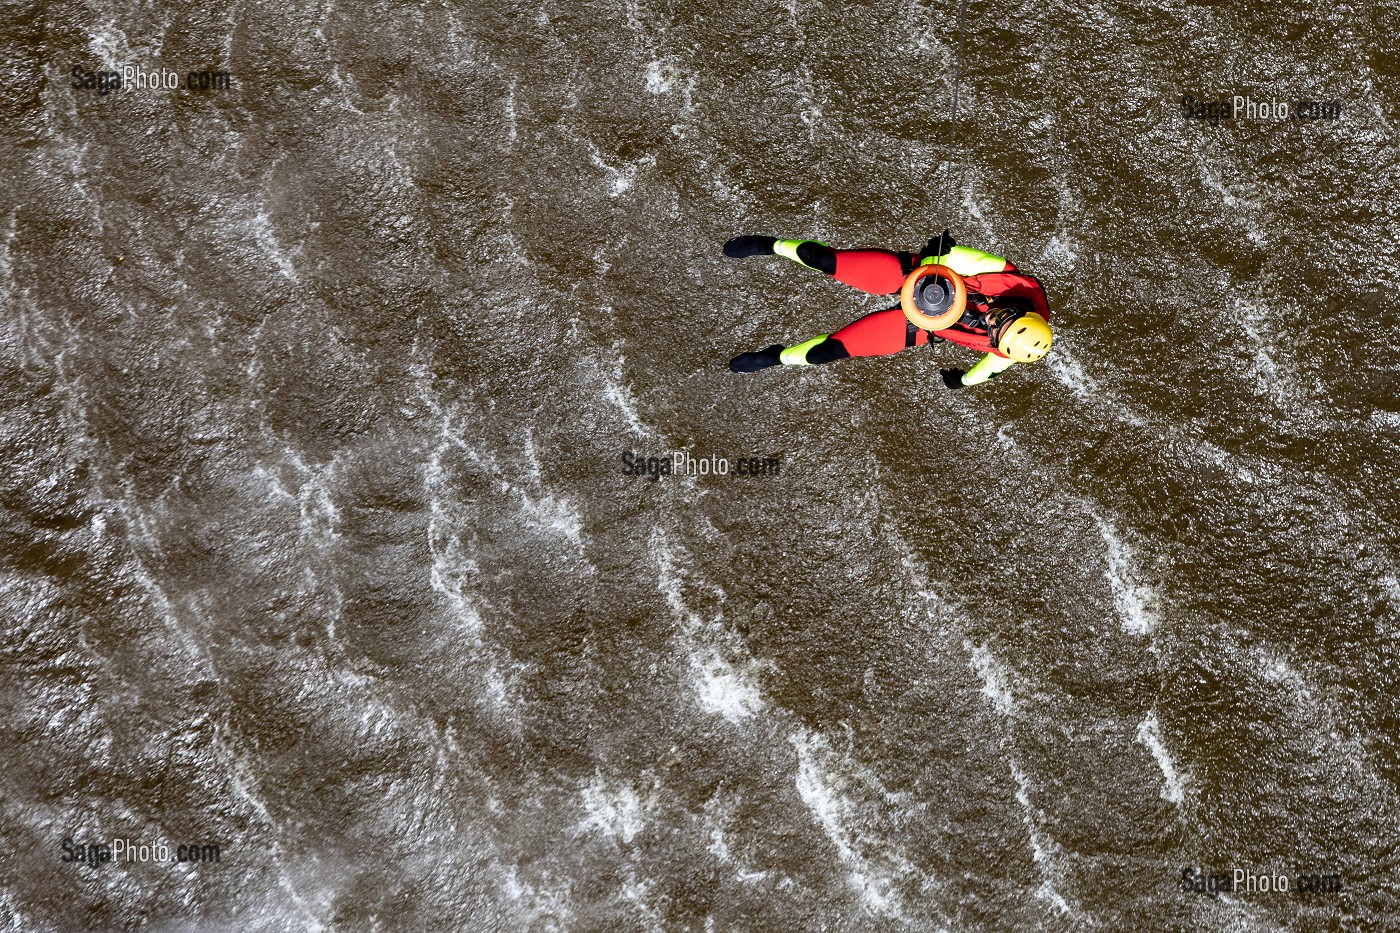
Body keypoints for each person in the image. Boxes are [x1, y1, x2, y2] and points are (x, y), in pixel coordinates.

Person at [724, 231, 1053, 388]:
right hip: (923, 280)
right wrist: (937, 255)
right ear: (1023, 311)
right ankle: (771, 245)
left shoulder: (1007, 349)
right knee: (824, 260)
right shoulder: (1012, 280)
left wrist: (963, 381)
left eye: (994, 332)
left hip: (924, 324)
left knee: (828, 352)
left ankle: (776, 356)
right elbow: (957, 257)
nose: (991, 322)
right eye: (1003, 316)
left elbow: (989, 370)